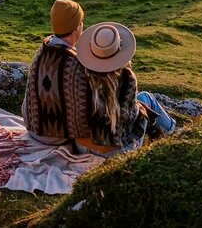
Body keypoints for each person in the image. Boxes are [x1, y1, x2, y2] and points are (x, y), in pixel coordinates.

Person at [73, 21, 176, 155]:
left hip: (81, 146)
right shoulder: (127, 78)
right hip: (115, 151)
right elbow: (128, 119)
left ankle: (168, 130)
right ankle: (171, 131)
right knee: (145, 99)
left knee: (142, 100)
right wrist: (140, 109)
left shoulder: (79, 74)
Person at [22, 0, 89, 146]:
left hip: (34, 130)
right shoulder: (75, 62)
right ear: (77, 26)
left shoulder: (42, 50)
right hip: (60, 137)